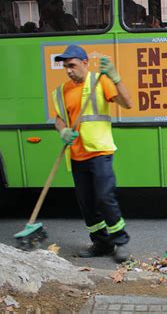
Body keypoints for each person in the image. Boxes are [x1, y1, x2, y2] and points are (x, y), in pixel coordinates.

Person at [52, 45, 133, 263]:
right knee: (87, 204)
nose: (68, 70)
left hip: (100, 152)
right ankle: (101, 242)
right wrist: (63, 130)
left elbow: (128, 103)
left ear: (85, 63)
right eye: (65, 66)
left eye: (72, 65)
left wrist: (116, 78)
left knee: (105, 197)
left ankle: (121, 240)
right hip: (77, 156)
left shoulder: (100, 81)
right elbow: (58, 119)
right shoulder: (62, 91)